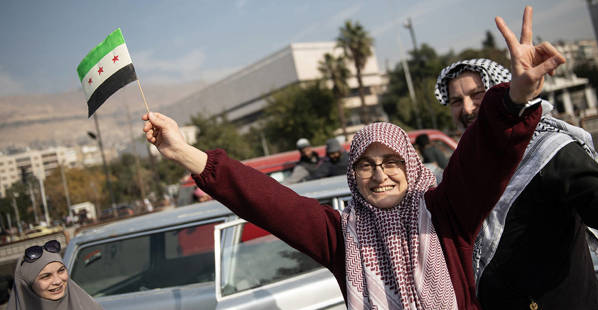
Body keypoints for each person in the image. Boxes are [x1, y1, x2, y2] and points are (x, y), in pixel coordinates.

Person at [142, 7, 560, 309]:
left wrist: (515, 97)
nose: (379, 174)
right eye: (365, 164)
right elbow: (266, 201)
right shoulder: (342, 238)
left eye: (391, 161)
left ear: (412, 167)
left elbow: (482, 155)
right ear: (353, 175)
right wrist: (182, 151)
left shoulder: (448, 214)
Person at [434, 18, 598, 310]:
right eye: (456, 101)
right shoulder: (461, 172)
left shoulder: (549, 150)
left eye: (476, 95)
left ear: (500, 93)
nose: (467, 109)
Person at [7, 240, 103, 310]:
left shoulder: (89, 307)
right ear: (27, 285)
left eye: (61, 271)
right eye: (46, 276)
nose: (57, 281)